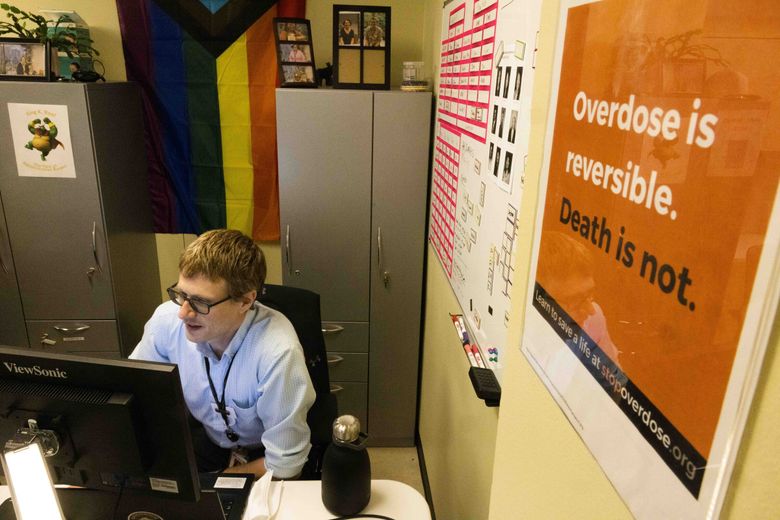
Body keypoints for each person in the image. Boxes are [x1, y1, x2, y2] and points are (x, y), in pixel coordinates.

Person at [130, 229, 315, 479]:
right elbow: (137, 395)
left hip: (264, 450)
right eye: (181, 295)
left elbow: (285, 464)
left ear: (245, 301)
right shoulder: (166, 321)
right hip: (206, 438)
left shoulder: (278, 352)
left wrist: (215, 482)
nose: (184, 313)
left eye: (200, 302)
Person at [536, 231, 620, 365]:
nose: (590, 310)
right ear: (540, 299)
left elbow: (612, 377)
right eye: (574, 299)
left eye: (589, 295)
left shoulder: (594, 319)